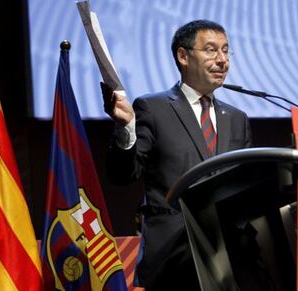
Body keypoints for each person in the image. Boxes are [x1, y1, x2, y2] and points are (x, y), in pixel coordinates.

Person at [103, 19, 255, 290]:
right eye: (211, 50)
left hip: (229, 260)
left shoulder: (237, 118)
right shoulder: (153, 108)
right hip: (173, 258)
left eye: (226, 50)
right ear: (183, 56)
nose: (222, 60)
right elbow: (123, 174)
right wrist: (126, 127)